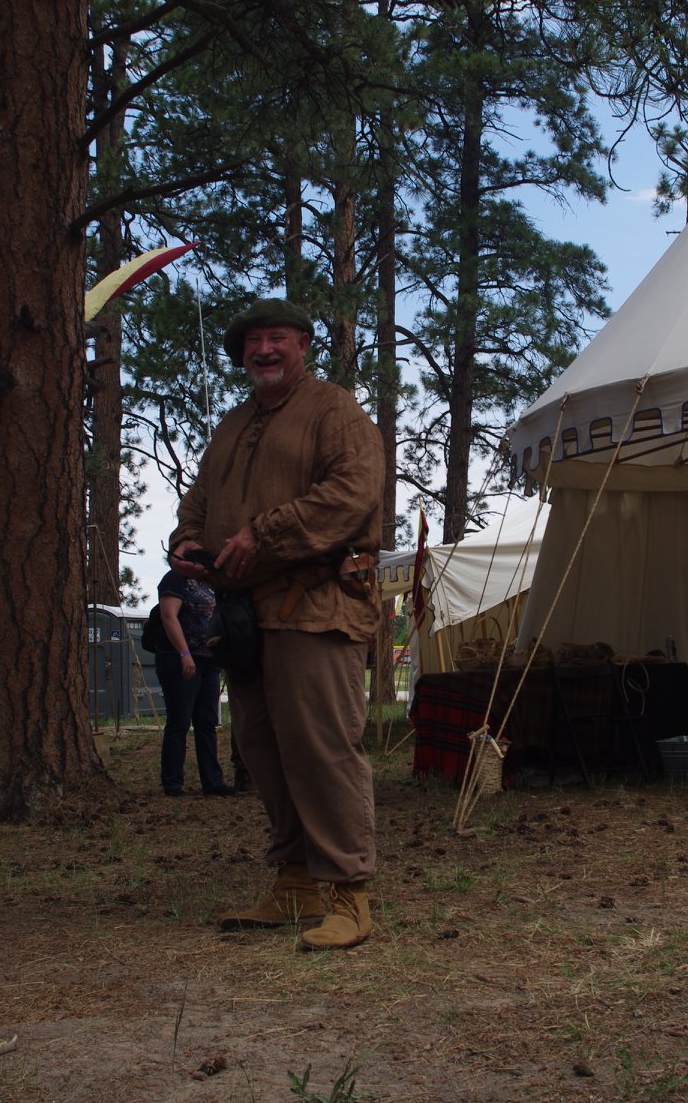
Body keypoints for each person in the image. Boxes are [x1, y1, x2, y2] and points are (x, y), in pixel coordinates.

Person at [168, 297, 383, 951]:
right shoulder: (232, 425)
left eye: (277, 339)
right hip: (245, 616)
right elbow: (200, 501)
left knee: (320, 748)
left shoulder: (335, 412)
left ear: (303, 345)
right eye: (253, 342)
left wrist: (265, 535)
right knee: (262, 749)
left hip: (313, 604)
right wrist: (185, 542)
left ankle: (349, 893)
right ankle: (294, 884)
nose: (263, 350)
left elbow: (353, 492)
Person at [153, 571, 232, 797]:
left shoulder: (209, 582)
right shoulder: (175, 579)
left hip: (208, 661)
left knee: (207, 722)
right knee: (179, 721)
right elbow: (168, 616)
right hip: (180, 660)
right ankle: (172, 783)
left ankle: (212, 781)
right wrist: (184, 653)